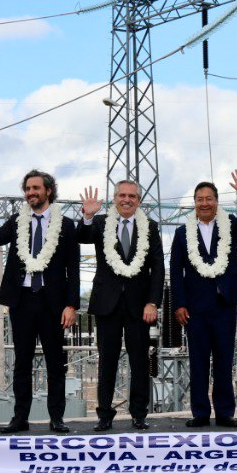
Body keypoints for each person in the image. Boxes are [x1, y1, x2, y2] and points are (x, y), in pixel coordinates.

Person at [0, 169, 80, 434]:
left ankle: (56, 418)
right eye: (27, 189)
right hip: (21, 301)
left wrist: (72, 305)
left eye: (36, 188)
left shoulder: (65, 226)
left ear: (48, 191)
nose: (31, 193)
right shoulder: (16, 221)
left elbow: (74, 269)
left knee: (55, 363)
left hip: (52, 303)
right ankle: (19, 418)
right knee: (21, 362)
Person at [169, 169, 237, 428]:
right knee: (198, 362)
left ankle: (224, 412)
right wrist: (179, 304)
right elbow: (176, 270)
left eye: (209, 198)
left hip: (224, 304)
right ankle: (199, 412)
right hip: (195, 308)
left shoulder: (229, 225)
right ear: (194, 203)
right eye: (200, 199)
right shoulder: (181, 233)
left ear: (217, 201)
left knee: (223, 360)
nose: (205, 203)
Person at [78, 180, 164, 431]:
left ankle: (139, 414)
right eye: (122, 195)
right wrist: (87, 216)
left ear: (139, 200)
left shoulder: (150, 227)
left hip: (139, 307)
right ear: (115, 198)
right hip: (107, 304)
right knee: (107, 361)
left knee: (139, 361)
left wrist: (152, 302)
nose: (127, 200)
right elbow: (81, 237)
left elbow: (157, 267)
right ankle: (104, 414)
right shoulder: (101, 223)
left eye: (132, 196)